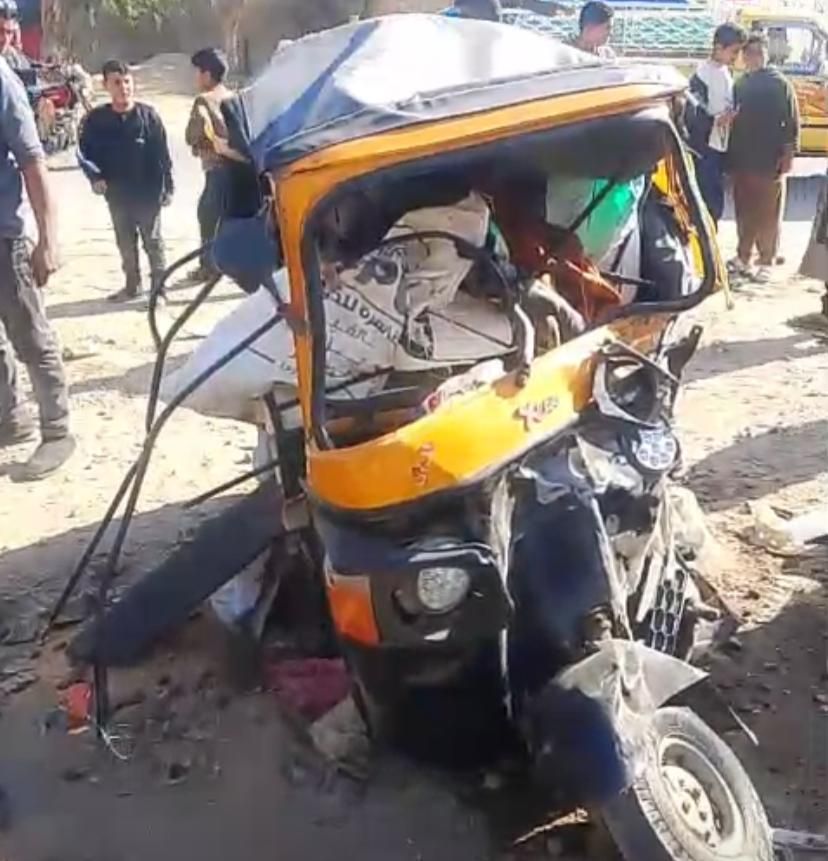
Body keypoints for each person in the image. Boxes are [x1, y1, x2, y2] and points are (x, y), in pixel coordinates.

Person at [0, 56, 74, 479]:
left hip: (4, 237)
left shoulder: (2, 82)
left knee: (30, 335)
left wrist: (48, 240)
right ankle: (10, 419)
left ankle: (57, 431)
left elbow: (32, 162)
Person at [79, 60, 173, 303]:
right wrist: (95, 177)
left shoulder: (148, 117)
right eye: (117, 83)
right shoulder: (96, 121)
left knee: (153, 242)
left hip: (148, 193)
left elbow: (163, 155)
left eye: (127, 82)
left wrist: (168, 187)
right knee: (125, 243)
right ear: (106, 86)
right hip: (117, 194)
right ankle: (132, 286)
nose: (124, 88)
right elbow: (84, 154)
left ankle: (159, 290)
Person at [727, 34, 799, 284]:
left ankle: (767, 260)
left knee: (768, 213)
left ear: (767, 54)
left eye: (758, 52)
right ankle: (743, 256)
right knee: (744, 210)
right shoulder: (740, 84)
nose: (753, 57)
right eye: (749, 53)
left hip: (770, 159)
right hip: (742, 158)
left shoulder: (779, 84)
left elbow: (791, 122)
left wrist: (788, 154)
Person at [690, 23, 746, 228]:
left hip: (720, 144)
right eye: (734, 51)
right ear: (718, 47)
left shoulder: (724, 72)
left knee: (715, 199)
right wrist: (717, 121)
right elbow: (693, 114)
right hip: (705, 149)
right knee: (708, 201)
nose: (736, 57)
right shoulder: (702, 75)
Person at [184, 48, 233, 284]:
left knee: (207, 217)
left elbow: (193, 135)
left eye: (197, 72)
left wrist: (199, 146)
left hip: (217, 168)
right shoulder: (233, 96)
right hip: (237, 169)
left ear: (206, 74)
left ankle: (209, 268)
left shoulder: (204, 100)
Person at [0, 2, 29, 73]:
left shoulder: (16, 60)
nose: (5, 39)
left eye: (9, 32)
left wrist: (17, 42)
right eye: (0, 31)